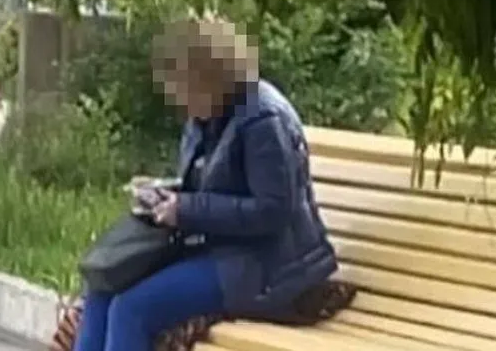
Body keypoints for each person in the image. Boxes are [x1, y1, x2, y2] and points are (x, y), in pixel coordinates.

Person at [74, 18, 339, 351]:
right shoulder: (208, 114)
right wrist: (166, 197)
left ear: (211, 77)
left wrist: (185, 209)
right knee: (102, 291)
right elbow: (209, 187)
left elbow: (273, 210)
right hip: (220, 251)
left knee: (131, 310)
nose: (179, 101)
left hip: (270, 267)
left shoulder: (263, 121)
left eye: (183, 89)